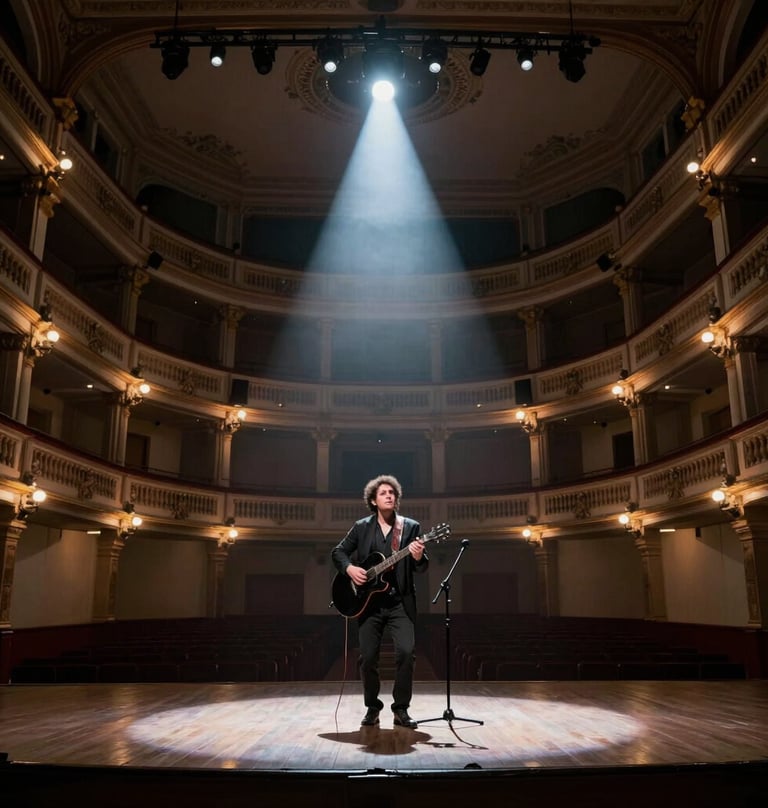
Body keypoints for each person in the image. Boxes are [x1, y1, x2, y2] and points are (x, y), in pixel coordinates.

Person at [331, 474, 428, 729]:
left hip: (400, 603)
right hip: (367, 604)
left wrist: (417, 557)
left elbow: (421, 567)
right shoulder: (361, 527)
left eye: (392, 493)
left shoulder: (410, 527)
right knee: (368, 657)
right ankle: (372, 708)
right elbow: (338, 552)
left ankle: (401, 709)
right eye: (383, 493)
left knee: (407, 653)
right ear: (373, 500)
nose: (389, 495)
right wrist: (350, 569)